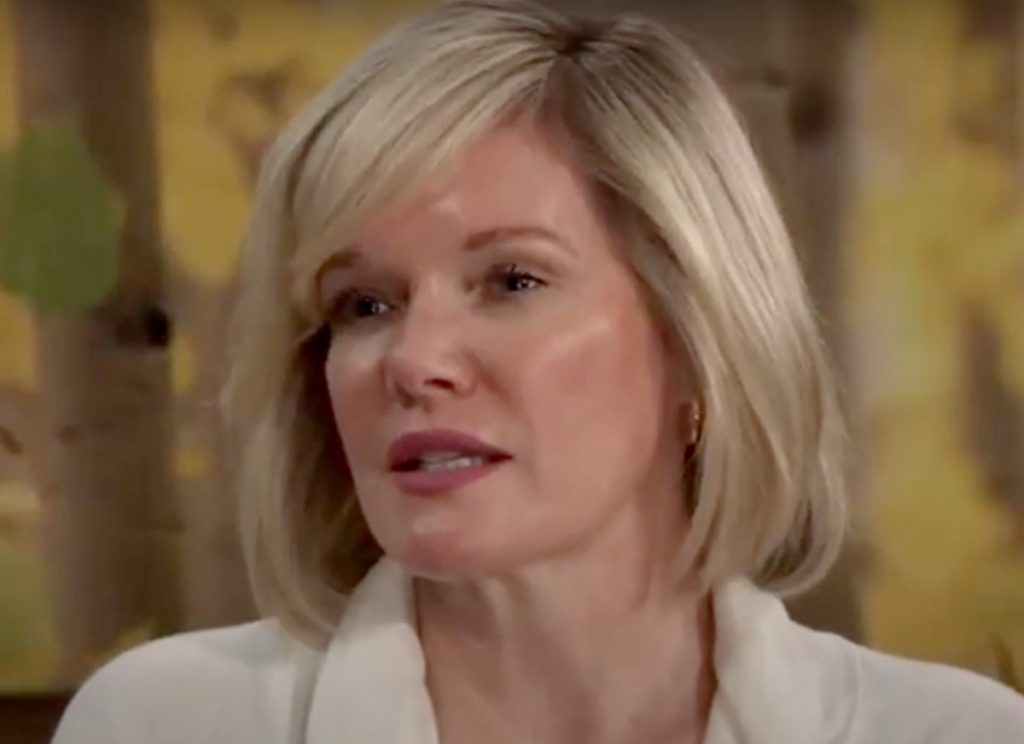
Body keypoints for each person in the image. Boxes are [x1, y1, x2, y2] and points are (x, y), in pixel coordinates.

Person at [53, 1, 1024, 742]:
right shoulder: (168, 722)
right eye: (365, 304)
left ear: (699, 344)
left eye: (512, 280)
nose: (415, 362)